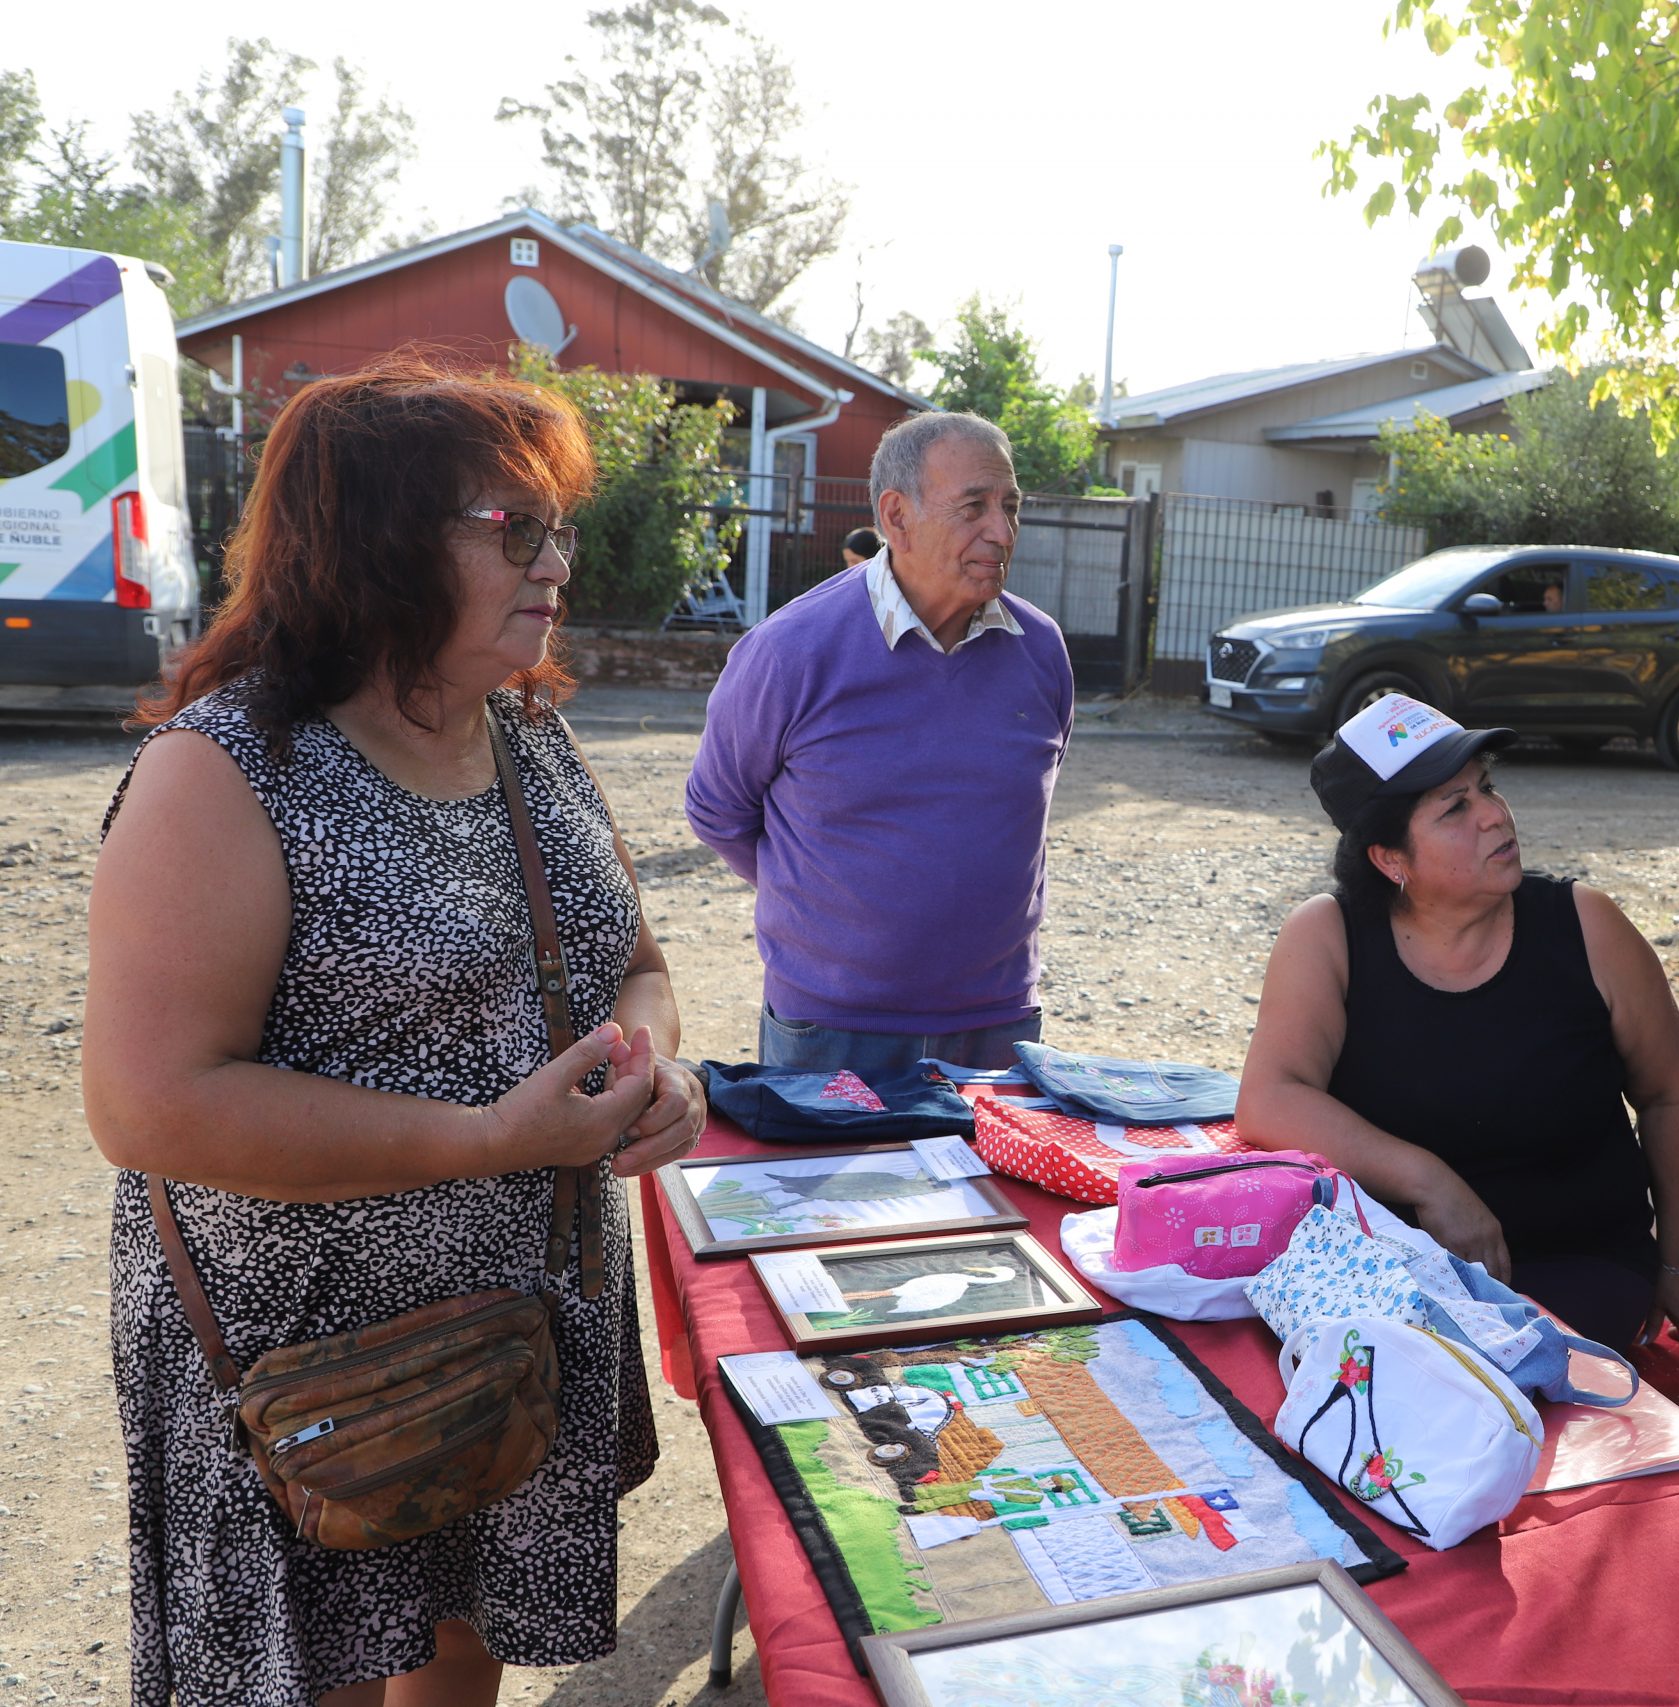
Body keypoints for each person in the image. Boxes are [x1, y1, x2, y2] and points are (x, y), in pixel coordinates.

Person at [84, 354, 708, 1707]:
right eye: (514, 528)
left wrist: (654, 1066)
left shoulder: (527, 737)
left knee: (463, 1647)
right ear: (373, 539)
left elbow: (636, 966)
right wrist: (488, 1138)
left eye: (559, 529)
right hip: (315, 1370)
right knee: (327, 1672)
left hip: (512, 1340)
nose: (557, 565)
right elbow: (149, 1104)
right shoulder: (227, 769)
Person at [1235, 693, 1679, 1355]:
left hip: (1578, 1265)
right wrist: (1428, 1180)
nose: (1495, 814)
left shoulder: (1588, 926)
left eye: (1486, 786)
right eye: (1454, 807)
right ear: (1391, 859)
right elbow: (1269, 1098)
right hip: (1391, 1265)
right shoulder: (1328, 935)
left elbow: (1671, 1095)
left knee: (1460, 1373)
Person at [687, 412, 1075, 1074]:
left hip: (999, 1024)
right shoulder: (791, 651)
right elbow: (718, 810)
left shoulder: (1040, 650)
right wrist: (827, 911)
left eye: (1010, 507)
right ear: (897, 517)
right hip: (831, 1029)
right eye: (974, 507)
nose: (1002, 531)